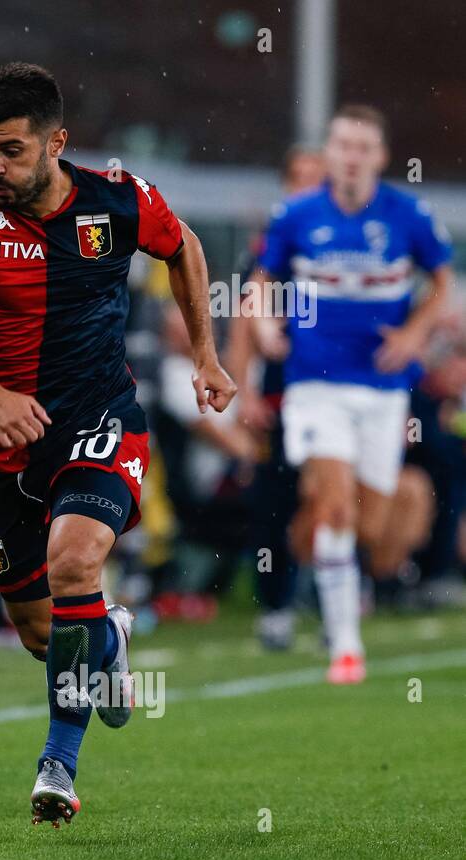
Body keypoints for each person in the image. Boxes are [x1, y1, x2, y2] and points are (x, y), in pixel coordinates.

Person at [0, 63, 235, 826]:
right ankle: (109, 637)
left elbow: (181, 247)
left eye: (11, 150)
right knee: (41, 629)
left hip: (98, 423)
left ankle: (59, 763)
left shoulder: (118, 198)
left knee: (74, 562)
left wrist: (207, 356)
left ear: (57, 143)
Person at [245, 105, 454, 684]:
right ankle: (345, 644)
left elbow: (443, 281)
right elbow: (262, 280)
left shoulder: (407, 214)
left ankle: (345, 575)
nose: (352, 156)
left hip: (384, 390)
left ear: (380, 157)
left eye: (364, 147)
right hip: (315, 384)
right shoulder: (296, 215)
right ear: (330, 153)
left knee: (370, 522)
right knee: (335, 503)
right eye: (343, 145)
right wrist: (263, 324)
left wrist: (415, 333)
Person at [224, 146, 325, 649]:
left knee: (330, 497)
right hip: (282, 398)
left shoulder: (341, 246)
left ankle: (333, 598)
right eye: (298, 178)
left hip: (333, 394)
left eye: (316, 178)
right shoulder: (271, 248)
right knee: (274, 502)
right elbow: (245, 324)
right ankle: (278, 606)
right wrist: (244, 396)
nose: (306, 187)